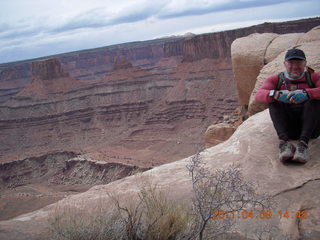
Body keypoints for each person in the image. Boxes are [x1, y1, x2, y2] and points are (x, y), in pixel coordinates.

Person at [255, 48, 320, 164]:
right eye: (291, 63)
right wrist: (274, 94)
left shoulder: (313, 77)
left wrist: (308, 93)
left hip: (311, 129)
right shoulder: (276, 79)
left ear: (305, 64)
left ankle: (303, 145)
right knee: (273, 101)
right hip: (289, 129)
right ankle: (284, 143)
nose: (295, 67)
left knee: (314, 101)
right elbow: (259, 95)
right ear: (284, 64)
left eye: (299, 63)